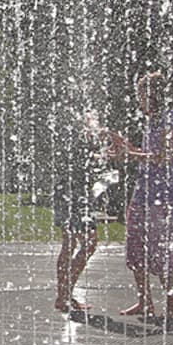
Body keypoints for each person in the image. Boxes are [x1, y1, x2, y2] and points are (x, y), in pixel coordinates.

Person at [110, 71, 173, 322]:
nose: (138, 99)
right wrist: (126, 149)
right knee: (136, 245)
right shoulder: (151, 121)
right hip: (143, 191)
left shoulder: (169, 119)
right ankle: (145, 301)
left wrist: (131, 154)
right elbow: (148, 154)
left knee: (160, 247)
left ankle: (172, 304)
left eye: (141, 94)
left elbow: (162, 156)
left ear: (151, 95)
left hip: (162, 194)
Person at [53, 110, 111, 312]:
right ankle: (65, 293)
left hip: (67, 191)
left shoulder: (74, 139)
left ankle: (63, 296)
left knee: (69, 244)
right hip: (73, 193)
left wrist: (99, 155)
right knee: (88, 243)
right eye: (93, 120)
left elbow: (84, 159)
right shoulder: (80, 136)